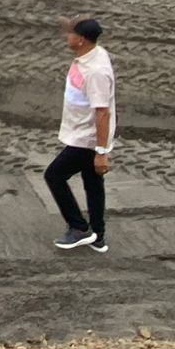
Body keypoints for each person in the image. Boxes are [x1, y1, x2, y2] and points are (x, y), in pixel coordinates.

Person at [44, 17, 116, 253]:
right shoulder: (91, 54)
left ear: (81, 40)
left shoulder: (95, 72)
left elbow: (103, 112)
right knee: (92, 183)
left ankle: (79, 228)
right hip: (82, 133)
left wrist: (101, 152)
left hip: (86, 139)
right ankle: (98, 236)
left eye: (71, 33)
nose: (67, 37)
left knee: (54, 175)